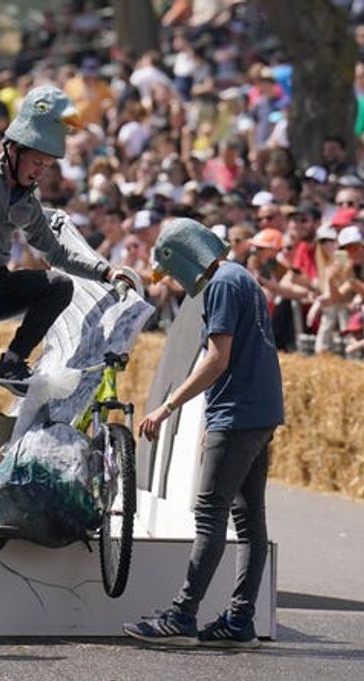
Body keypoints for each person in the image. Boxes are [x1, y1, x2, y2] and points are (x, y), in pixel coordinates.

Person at [0, 29, 132, 437]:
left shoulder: (27, 202)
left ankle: (12, 361)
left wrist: (106, 271)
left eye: (47, 165)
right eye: (37, 161)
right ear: (13, 148)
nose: (41, 171)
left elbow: (57, 253)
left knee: (57, 285)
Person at [124, 217, 284, 648]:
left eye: (172, 271)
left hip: (238, 414)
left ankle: (182, 614)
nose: (174, 282)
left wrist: (167, 406)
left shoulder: (221, 285)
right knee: (249, 521)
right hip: (257, 412)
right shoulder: (241, 278)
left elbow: (218, 358)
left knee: (210, 512)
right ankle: (239, 620)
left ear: (185, 257)